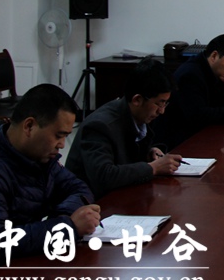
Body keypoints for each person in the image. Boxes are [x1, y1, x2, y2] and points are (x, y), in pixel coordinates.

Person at [0, 84, 101, 272]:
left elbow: (79, 189)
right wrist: (68, 227)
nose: (61, 145)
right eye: (58, 136)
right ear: (29, 126)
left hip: (23, 262)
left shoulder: (39, 156)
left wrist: (62, 217)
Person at [65, 58, 182, 198]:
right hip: (90, 202)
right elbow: (104, 176)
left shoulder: (139, 115)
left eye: (165, 104)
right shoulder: (100, 126)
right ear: (137, 100)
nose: (161, 111)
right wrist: (153, 168)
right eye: (159, 104)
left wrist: (149, 152)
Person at [152, 34, 224, 150]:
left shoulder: (212, 72)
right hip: (178, 144)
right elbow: (198, 116)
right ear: (214, 56)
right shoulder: (190, 75)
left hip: (199, 137)